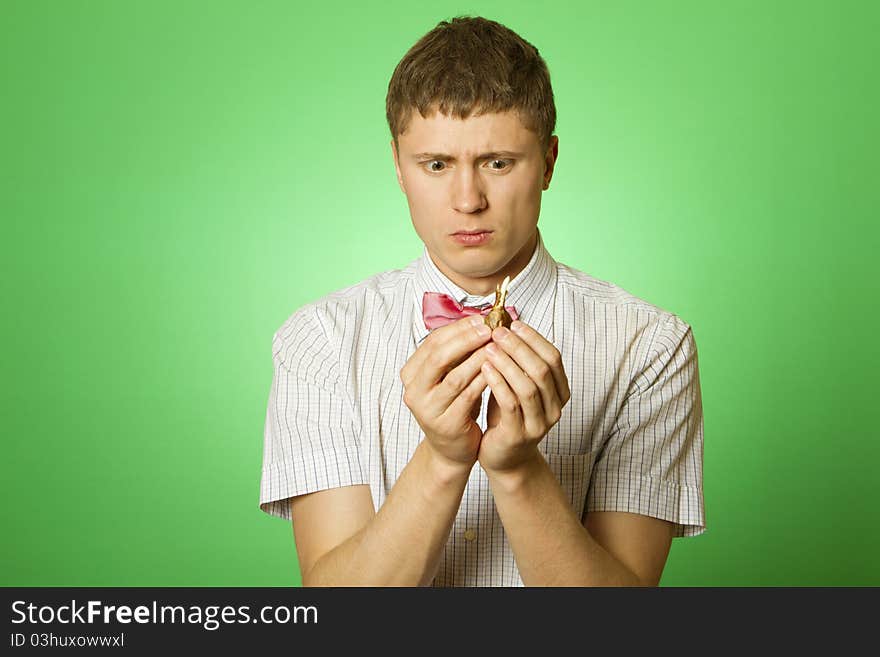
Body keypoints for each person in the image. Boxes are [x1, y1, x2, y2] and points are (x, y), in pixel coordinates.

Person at [259, 15, 705, 586]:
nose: (468, 200)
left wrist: (517, 470)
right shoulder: (318, 341)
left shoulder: (650, 348)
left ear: (548, 161)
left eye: (498, 162)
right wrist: (443, 459)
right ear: (398, 166)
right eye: (437, 165)